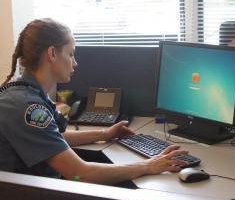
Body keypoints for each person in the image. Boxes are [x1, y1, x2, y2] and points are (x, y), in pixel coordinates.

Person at [0, 18, 188, 185]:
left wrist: (104, 134)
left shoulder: (23, 92)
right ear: (52, 53)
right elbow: (80, 174)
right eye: (71, 54)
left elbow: (50, 139)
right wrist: (148, 165)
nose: (75, 63)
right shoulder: (28, 108)